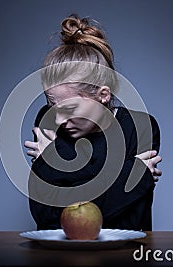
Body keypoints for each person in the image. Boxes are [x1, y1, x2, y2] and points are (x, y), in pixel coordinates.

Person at [24, 14, 162, 231]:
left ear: (103, 95)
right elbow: (48, 218)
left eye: (70, 108)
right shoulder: (47, 121)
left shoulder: (139, 127)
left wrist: (51, 166)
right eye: (52, 105)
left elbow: (129, 223)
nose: (59, 119)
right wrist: (131, 175)